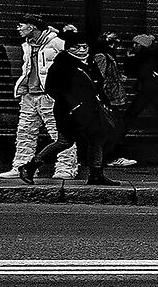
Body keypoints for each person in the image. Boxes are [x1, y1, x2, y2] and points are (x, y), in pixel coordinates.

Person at [25, 33, 115, 185]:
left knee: (96, 139)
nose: (81, 50)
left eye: (84, 47)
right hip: (69, 111)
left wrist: (105, 102)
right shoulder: (61, 65)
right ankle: (30, 166)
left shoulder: (91, 63)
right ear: (68, 48)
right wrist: (72, 103)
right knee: (64, 142)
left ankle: (96, 174)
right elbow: (51, 88)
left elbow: (98, 85)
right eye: (76, 47)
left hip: (91, 109)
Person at [2, 16, 73, 182]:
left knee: (59, 133)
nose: (18, 28)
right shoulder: (27, 44)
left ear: (32, 26)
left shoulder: (55, 42)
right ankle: (21, 166)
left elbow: (74, 59)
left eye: (21, 25)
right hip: (29, 94)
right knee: (25, 132)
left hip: (50, 96)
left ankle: (66, 167)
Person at [110, 33, 158, 160]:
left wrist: (130, 59)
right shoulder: (155, 55)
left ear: (142, 45)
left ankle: (115, 139)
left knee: (132, 113)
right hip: (155, 89)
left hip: (150, 89)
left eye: (136, 43)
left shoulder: (146, 56)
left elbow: (137, 71)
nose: (134, 45)